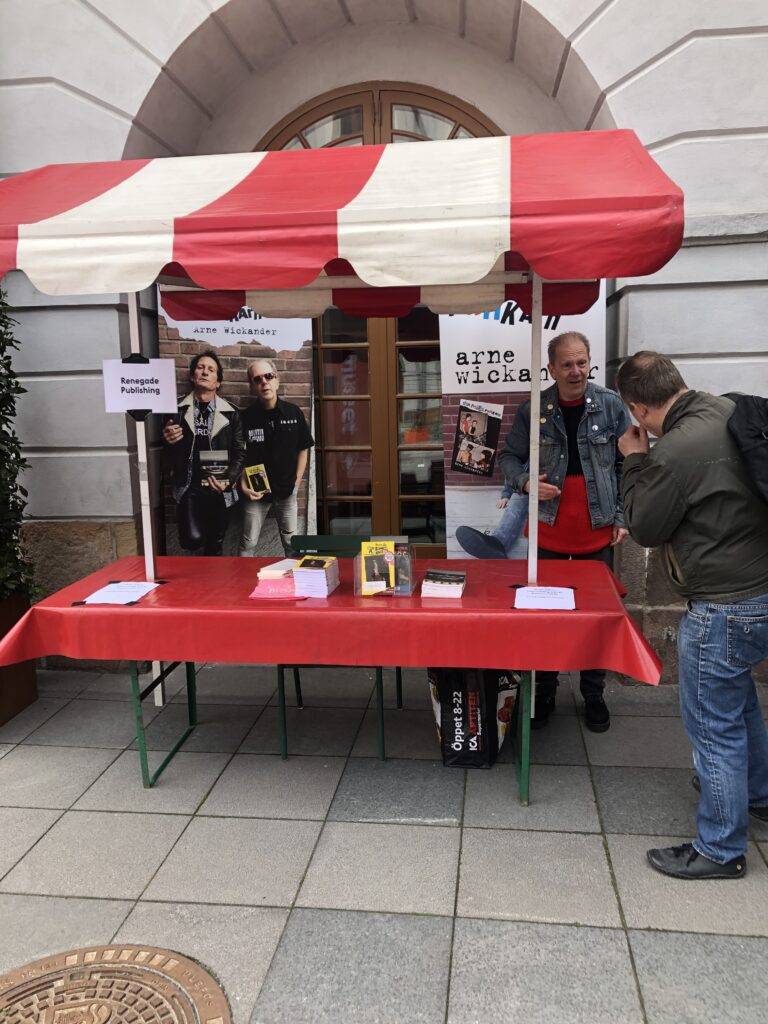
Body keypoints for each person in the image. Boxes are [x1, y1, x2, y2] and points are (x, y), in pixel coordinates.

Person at [616, 351, 768, 880]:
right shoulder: (729, 409)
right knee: (740, 702)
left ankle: (720, 849)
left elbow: (646, 527)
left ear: (638, 408)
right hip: (761, 588)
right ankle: (760, 794)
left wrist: (634, 460)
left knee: (713, 726)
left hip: (725, 602)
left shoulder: (675, 450)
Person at [497, 331, 630, 732]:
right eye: (567, 364)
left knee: (596, 618)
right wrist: (524, 483)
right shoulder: (533, 409)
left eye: (582, 362)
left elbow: (631, 465)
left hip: (597, 531)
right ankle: (545, 692)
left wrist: (623, 516)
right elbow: (508, 457)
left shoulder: (610, 405)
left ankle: (593, 694)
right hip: (548, 533)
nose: (576, 371)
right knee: (546, 617)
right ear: (551, 368)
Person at [162, 350, 245, 556]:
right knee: (192, 540)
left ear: (218, 382)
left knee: (215, 544)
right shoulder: (176, 410)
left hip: (219, 486)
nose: (205, 372)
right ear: (192, 376)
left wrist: (228, 479)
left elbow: (240, 453)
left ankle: (212, 585)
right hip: (189, 484)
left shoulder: (232, 413)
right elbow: (166, 453)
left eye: (211, 369)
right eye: (200, 368)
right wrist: (168, 440)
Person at [239, 358, 314, 555]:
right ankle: (243, 584)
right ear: (252, 386)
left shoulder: (293, 412)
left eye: (268, 376)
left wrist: (297, 482)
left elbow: (303, 448)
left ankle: (295, 584)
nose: (264, 382)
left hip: (287, 489)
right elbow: (240, 455)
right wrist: (243, 485)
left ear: (277, 380)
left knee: (292, 544)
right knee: (248, 544)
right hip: (256, 492)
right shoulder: (245, 418)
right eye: (257, 379)